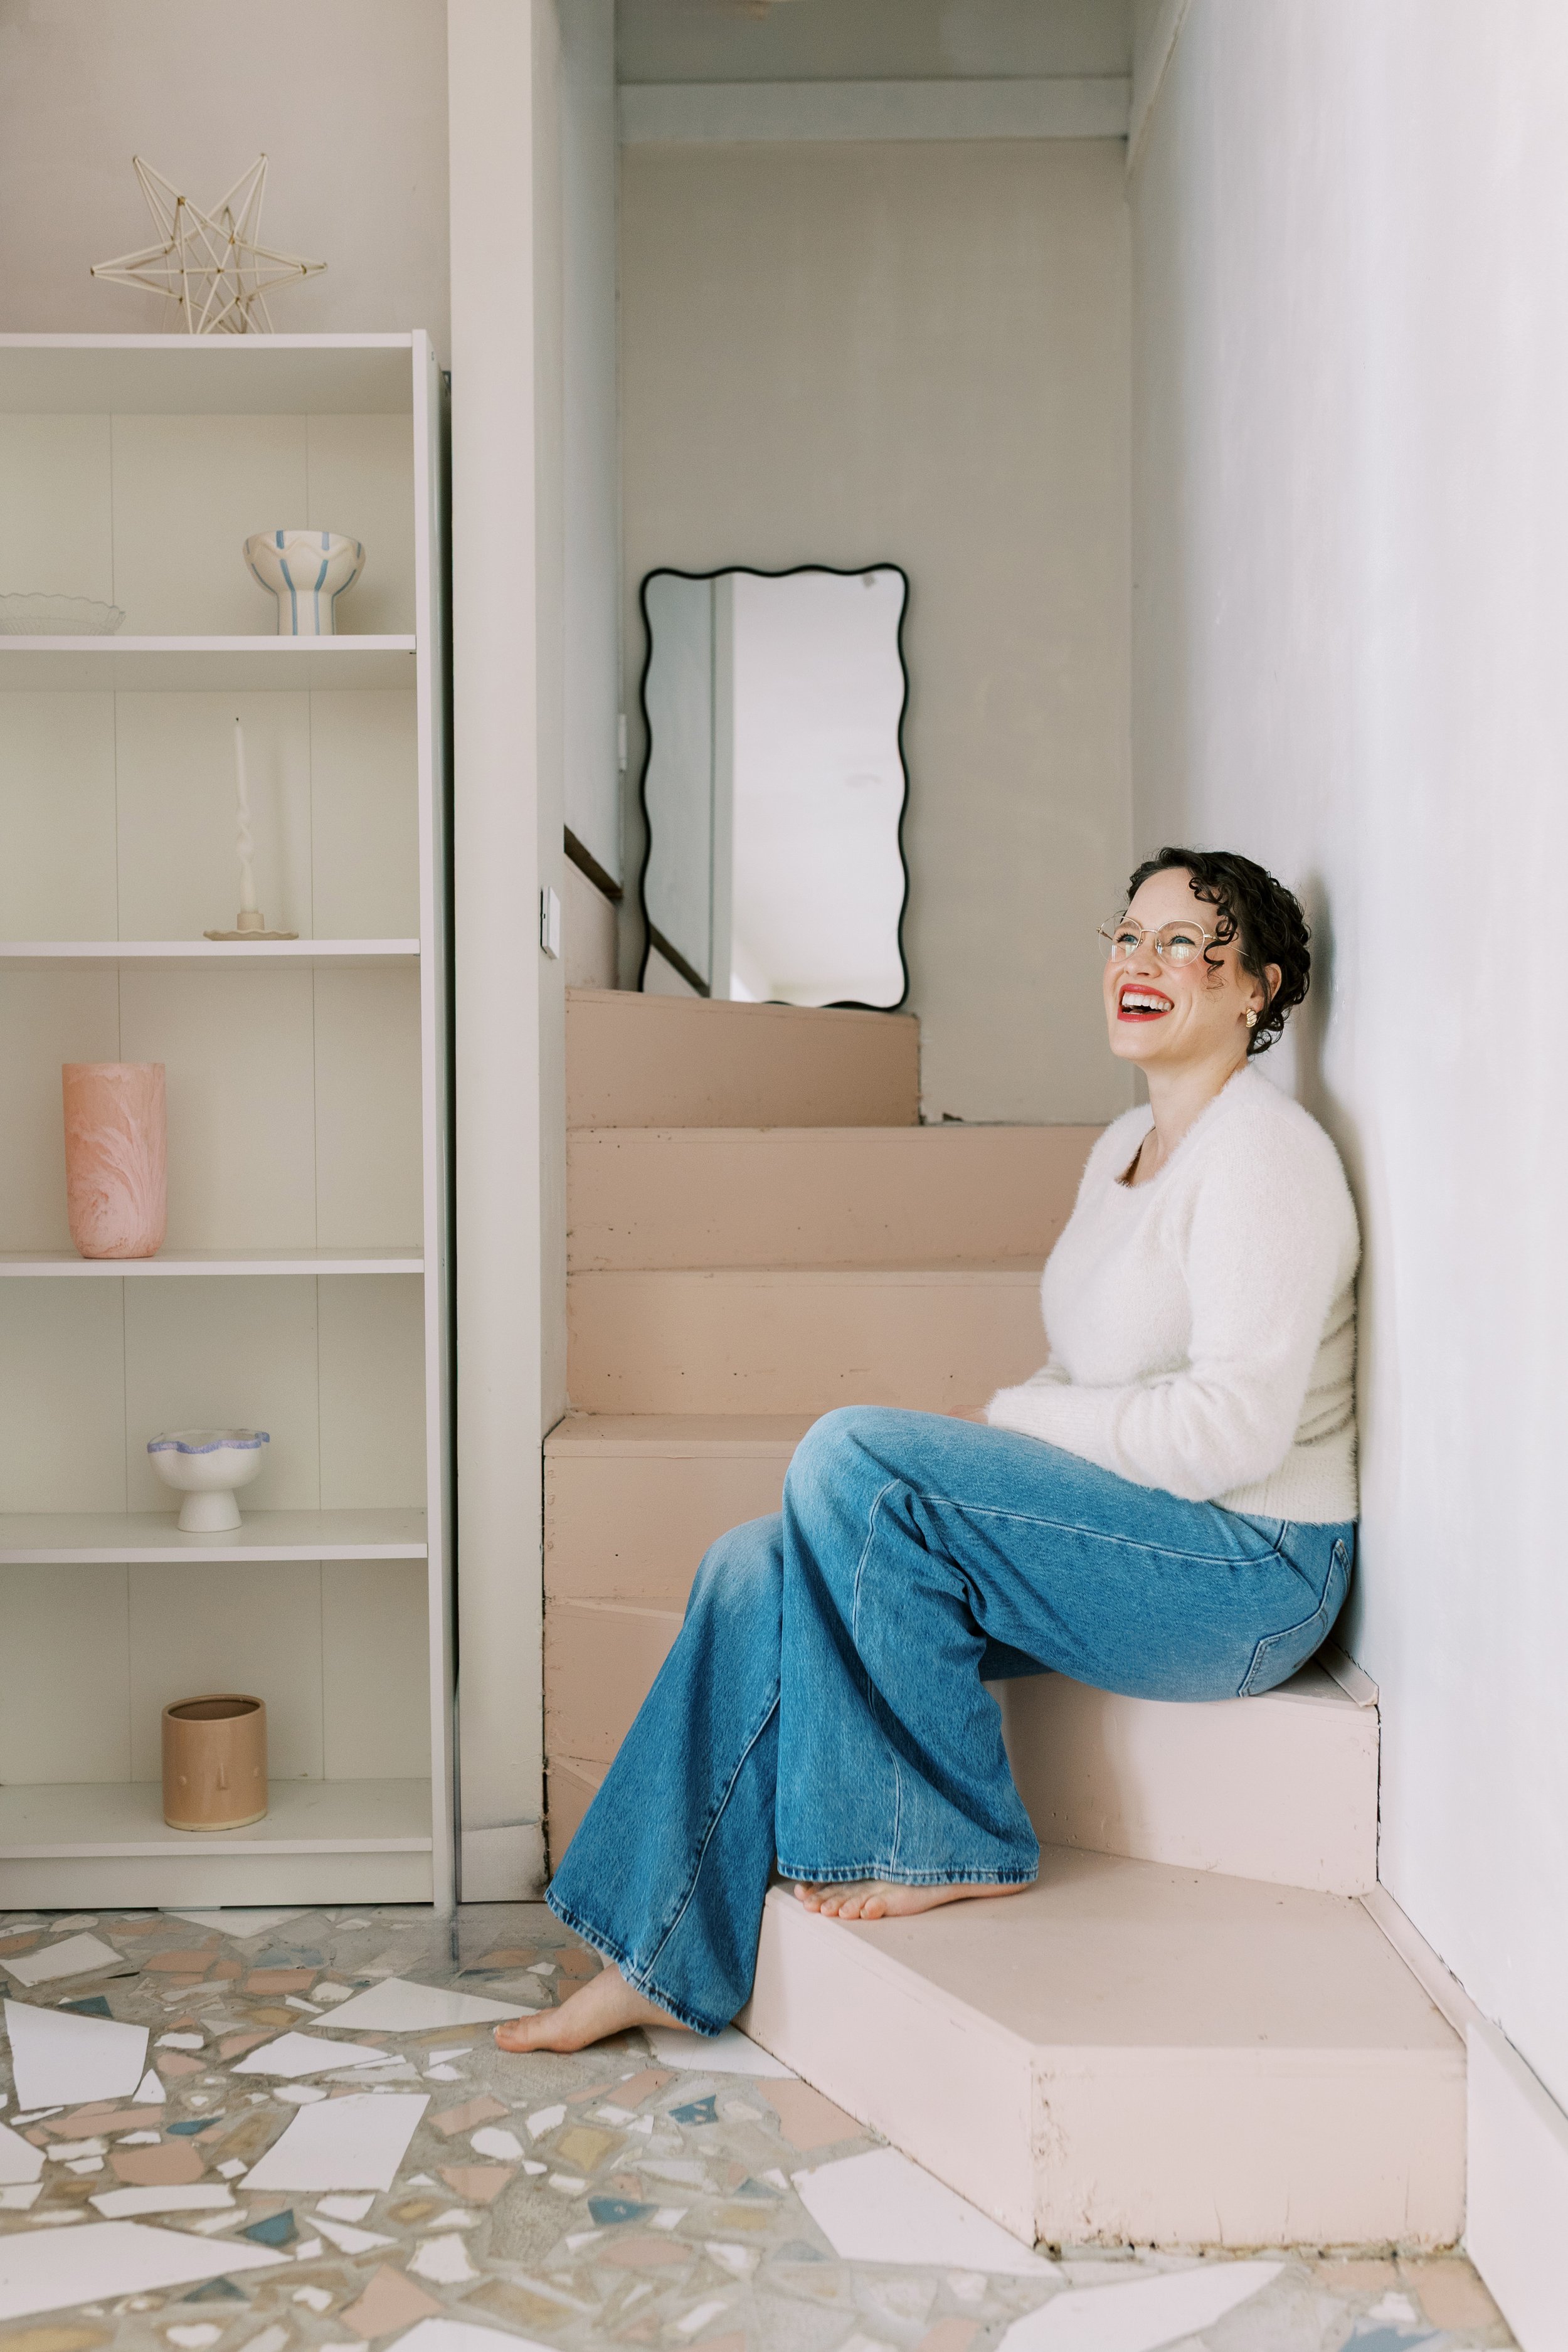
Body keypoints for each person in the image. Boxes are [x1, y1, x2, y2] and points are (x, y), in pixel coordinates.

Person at [497, 847, 1359, 2056]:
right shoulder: (1123, 1148)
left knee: (854, 1454)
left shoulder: (1265, 1156)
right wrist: (1012, 1433)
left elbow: (1234, 1430)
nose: (1140, 962)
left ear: (1256, 988)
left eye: (1183, 944)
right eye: (1127, 936)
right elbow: (1079, 1377)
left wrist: (1013, 1428)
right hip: (1139, 1526)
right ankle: (658, 1949)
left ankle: (942, 1833)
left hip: (1250, 1569)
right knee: (756, 1563)